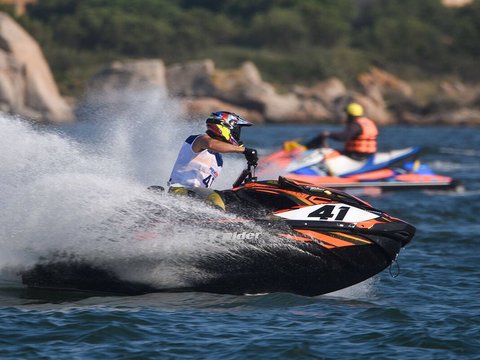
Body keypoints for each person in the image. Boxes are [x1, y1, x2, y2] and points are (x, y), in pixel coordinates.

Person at [168, 111, 258, 209]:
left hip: (197, 198)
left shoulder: (218, 159)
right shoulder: (198, 140)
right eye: (236, 130)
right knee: (216, 196)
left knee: (232, 199)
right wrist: (244, 150)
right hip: (180, 192)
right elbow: (210, 144)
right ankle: (217, 222)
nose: (237, 134)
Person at [305, 102, 378, 160]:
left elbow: (344, 137)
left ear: (349, 114)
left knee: (326, 155)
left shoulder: (355, 125)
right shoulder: (368, 122)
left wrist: (328, 134)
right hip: (368, 154)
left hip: (356, 155)